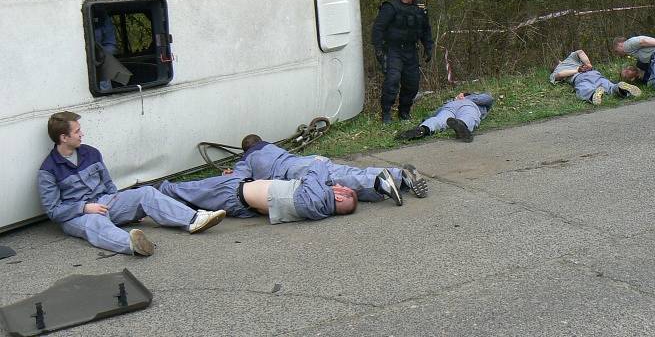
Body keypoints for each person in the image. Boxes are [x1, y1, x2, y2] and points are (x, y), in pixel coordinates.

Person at [38, 111, 226, 257]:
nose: (82, 134)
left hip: (104, 202)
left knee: (145, 193)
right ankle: (133, 244)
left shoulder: (91, 153)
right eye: (77, 131)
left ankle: (193, 220)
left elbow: (109, 184)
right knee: (95, 222)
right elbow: (54, 211)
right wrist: (85, 208)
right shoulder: (48, 170)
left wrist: (121, 204)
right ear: (64, 137)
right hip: (77, 216)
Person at [230, 135, 428, 205]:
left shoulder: (248, 158)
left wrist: (231, 172)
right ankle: (398, 176)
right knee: (345, 172)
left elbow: (235, 183)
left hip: (297, 171)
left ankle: (378, 182)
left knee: (337, 183)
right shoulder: (271, 147)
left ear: (245, 150)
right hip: (308, 160)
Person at [160, 158, 358, 224]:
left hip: (231, 192)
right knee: (192, 198)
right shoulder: (318, 211)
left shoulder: (315, 196)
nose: (338, 186)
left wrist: (322, 164)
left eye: (341, 188)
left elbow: (317, 166)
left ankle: (144, 194)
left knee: (178, 190)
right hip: (242, 201)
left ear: (339, 198)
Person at [371, 0, 434, 123]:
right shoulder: (390, 7)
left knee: (412, 83)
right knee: (392, 80)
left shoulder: (420, 9)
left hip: (411, 51)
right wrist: (379, 49)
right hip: (393, 50)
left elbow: (426, 30)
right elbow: (378, 28)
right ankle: (386, 113)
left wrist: (428, 47)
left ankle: (404, 111)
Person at [550, 50, 641, 105]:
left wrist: (578, 71)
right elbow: (580, 51)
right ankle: (620, 88)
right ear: (560, 61)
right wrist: (588, 64)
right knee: (607, 85)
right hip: (593, 73)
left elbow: (559, 75)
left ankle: (593, 95)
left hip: (579, 78)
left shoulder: (555, 72)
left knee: (584, 89)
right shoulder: (569, 59)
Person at [397, 92, 494, 143]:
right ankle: (422, 129)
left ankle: (461, 127)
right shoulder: (449, 101)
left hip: (469, 104)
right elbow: (437, 112)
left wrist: (468, 96)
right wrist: (426, 119)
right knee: (440, 119)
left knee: (468, 116)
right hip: (450, 106)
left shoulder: (473, 98)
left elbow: (489, 99)